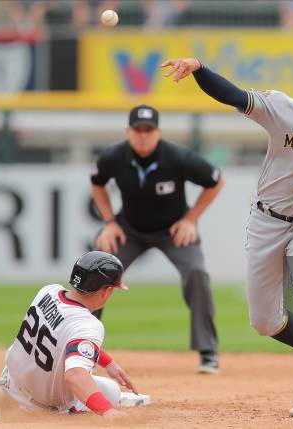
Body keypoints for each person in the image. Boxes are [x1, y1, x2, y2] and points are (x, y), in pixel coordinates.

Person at [160, 57, 293, 417]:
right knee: (264, 322)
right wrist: (198, 68)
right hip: (267, 221)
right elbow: (233, 96)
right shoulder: (285, 109)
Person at [91, 104, 225, 374]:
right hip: (129, 230)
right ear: (128, 132)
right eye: (138, 130)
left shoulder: (178, 157)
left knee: (196, 272)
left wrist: (191, 219)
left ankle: (207, 352)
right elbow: (97, 182)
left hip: (172, 230)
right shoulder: (113, 157)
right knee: (95, 272)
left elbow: (216, 181)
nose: (143, 135)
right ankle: (82, 345)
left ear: (158, 132)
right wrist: (109, 222)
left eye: (148, 130)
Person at [0, 251, 137, 418]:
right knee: (111, 392)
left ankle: (3, 394)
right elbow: (75, 376)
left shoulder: (48, 291)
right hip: (39, 406)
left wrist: (108, 362)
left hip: (12, 382)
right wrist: (107, 411)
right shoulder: (89, 325)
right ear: (106, 291)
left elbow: (63, 337)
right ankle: (65, 412)